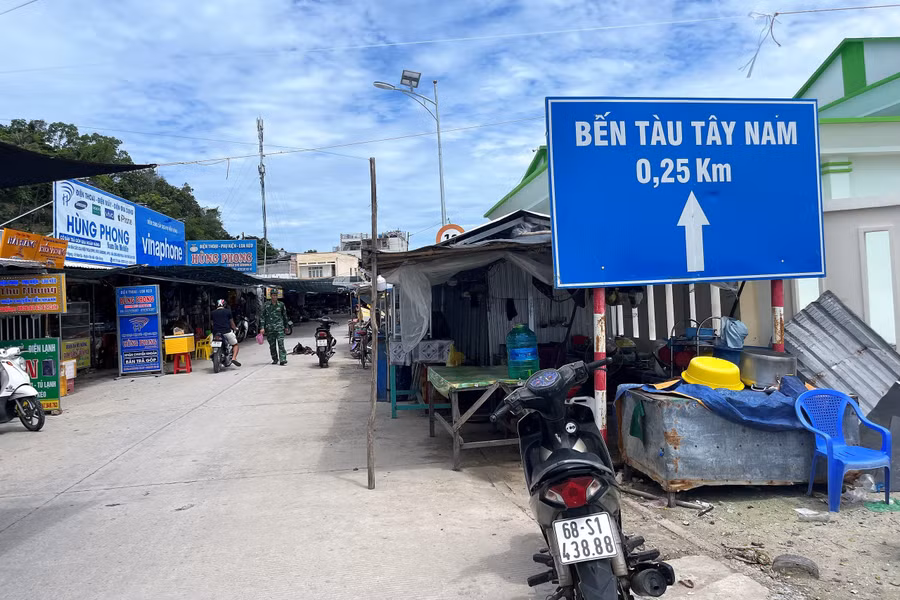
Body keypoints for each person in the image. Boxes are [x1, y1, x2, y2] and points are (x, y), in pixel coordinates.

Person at [260, 289, 288, 365]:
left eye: (276, 295)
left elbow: (285, 316)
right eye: (273, 295)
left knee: (281, 343)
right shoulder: (266, 305)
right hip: (270, 328)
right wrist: (262, 327)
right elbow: (262, 317)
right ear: (271, 296)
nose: (274, 297)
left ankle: (282, 359)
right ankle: (275, 359)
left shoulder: (281, 305)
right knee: (272, 345)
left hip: (279, 328)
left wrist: (286, 326)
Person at [211, 298, 241, 367]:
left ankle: (214, 355)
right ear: (224, 305)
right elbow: (232, 323)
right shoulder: (228, 312)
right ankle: (234, 358)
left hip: (216, 333)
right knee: (235, 345)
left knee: (212, 345)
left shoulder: (213, 313)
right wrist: (235, 328)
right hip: (226, 332)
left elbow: (212, 323)